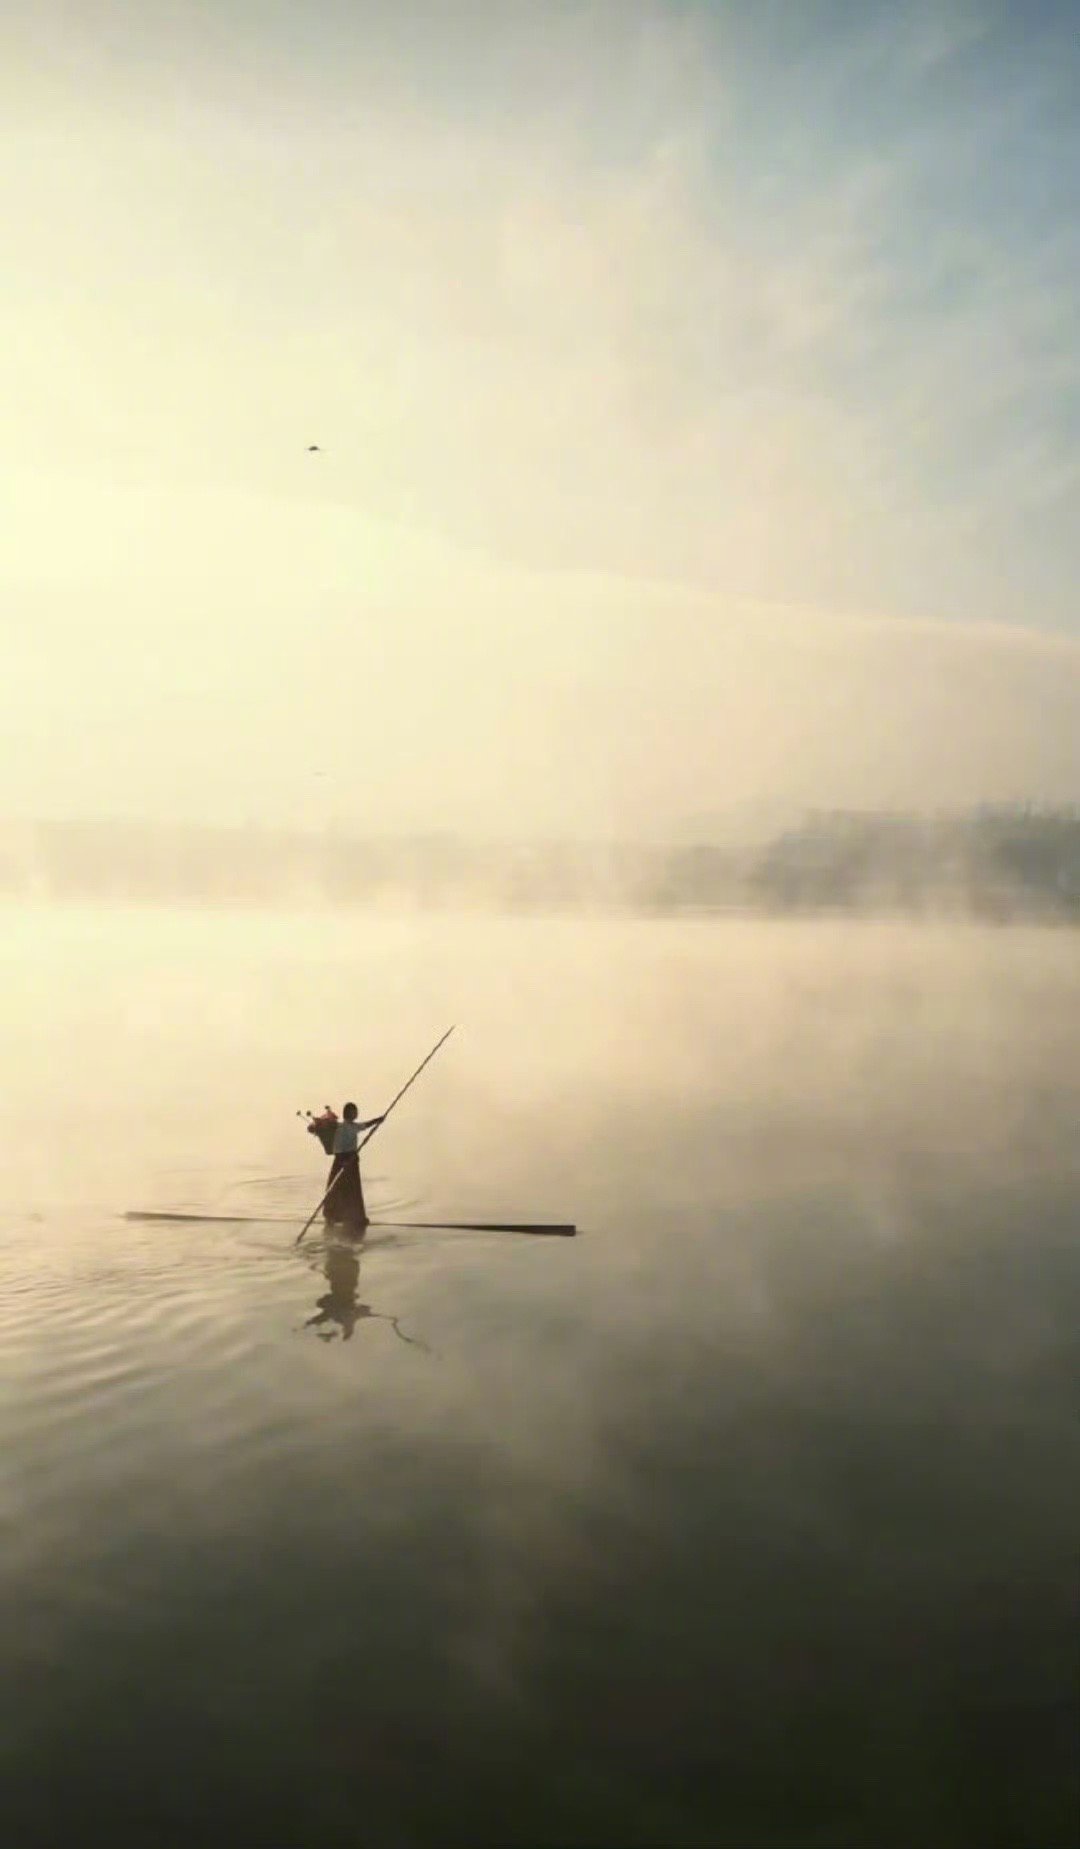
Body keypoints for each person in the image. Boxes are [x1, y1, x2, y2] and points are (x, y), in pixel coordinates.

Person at [307, 1101, 383, 1230]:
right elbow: (365, 1125)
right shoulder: (341, 1127)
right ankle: (335, 1216)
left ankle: (347, 1217)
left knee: (348, 1189)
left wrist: (378, 1120)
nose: (356, 1113)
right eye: (354, 1111)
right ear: (349, 1113)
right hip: (344, 1160)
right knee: (338, 1188)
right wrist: (377, 1120)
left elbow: (366, 1124)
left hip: (349, 1160)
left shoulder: (351, 1126)